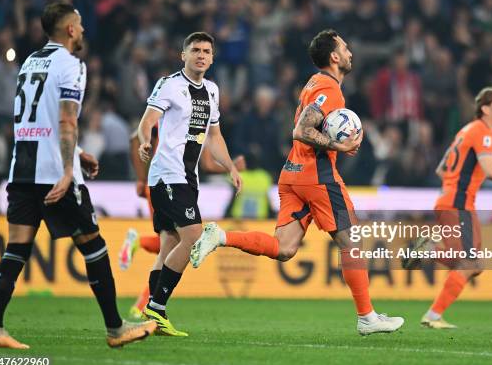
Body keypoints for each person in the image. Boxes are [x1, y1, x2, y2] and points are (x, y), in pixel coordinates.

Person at [191, 29, 405, 336]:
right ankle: (367, 316)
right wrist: (340, 146)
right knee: (352, 244)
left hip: (292, 172)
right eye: (345, 48)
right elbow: (302, 129)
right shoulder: (329, 88)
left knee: (284, 247)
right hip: (316, 175)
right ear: (334, 56)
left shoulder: (314, 83)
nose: (350, 53)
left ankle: (221, 237)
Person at [0, 3, 156, 349]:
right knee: (94, 245)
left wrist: (76, 153)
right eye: (79, 24)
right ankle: (116, 329)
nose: (84, 30)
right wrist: (67, 170)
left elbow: (35, 121)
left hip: (22, 170)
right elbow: (65, 120)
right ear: (70, 30)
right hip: (52, 173)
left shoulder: (30, 62)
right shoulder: (72, 65)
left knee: (16, 248)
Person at [404, 86, 492, 329]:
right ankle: (432, 313)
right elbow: (491, 171)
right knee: (470, 264)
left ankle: (426, 255)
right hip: (458, 205)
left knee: (474, 264)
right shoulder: (484, 132)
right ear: (485, 108)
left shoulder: (465, 131)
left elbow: (441, 169)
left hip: (453, 202)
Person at [136, 32, 242, 335]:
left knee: (168, 243)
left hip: (188, 178)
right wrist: (146, 141)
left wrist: (230, 166)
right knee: (193, 235)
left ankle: (151, 315)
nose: (201, 55)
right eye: (195, 50)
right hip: (167, 174)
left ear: (212, 57)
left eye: (207, 51)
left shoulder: (211, 90)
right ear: (183, 55)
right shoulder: (169, 84)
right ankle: (157, 307)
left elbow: (215, 136)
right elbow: (146, 122)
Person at [118, 129, 245, 320]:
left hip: (162, 181)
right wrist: (232, 166)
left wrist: (141, 177)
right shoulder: (180, 108)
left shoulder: (179, 115)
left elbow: (135, 137)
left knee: (169, 244)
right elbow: (208, 164)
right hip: (173, 183)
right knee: (180, 242)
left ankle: (148, 306)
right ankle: (152, 302)